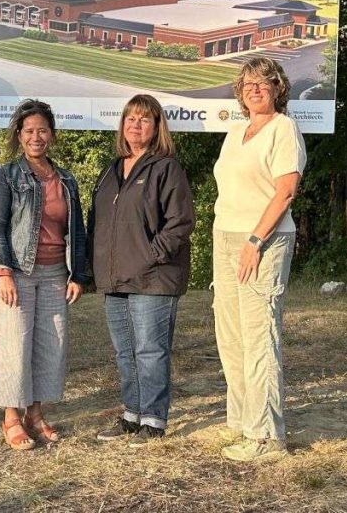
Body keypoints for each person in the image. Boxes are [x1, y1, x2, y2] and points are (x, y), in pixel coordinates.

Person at [212, 56, 306, 463]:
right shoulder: (236, 132)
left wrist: (255, 239)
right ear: (240, 91)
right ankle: (243, 421)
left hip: (263, 241)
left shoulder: (284, 129)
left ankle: (267, 436)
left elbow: (285, 192)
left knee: (259, 334)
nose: (255, 88)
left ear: (277, 89)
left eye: (264, 83)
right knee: (230, 335)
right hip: (226, 237)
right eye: (248, 83)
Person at [89, 94, 195, 446]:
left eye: (144, 119)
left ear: (156, 127)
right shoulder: (111, 169)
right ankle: (132, 414)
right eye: (130, 119)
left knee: (150, 349)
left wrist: (151, 254)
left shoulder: (166, 167)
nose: (136, 125)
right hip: (115, 277)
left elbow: (180, 223)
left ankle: (153, 419)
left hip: (154, 277)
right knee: (125, 350)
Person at [0, 100, 87, 450]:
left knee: (50, 345)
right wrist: (3, 273)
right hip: (19, 272)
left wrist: (78, 275)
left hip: (57, 273)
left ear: (52, 135)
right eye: (29, 131)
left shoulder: (67, 179)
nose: (36, 136)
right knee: (15, 344)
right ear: (19, 135)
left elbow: (77, 230)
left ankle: (35, 414)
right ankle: (11, 417)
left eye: (43, 130)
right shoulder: (6, 176)